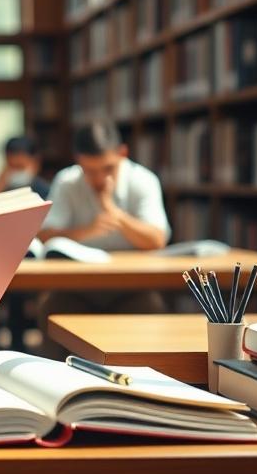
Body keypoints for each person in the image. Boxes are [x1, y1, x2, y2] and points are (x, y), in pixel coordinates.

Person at [32, 120, 171, 357]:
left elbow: (157, 239)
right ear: (78, 160)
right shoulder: (67, 181)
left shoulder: (143, 180)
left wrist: (114, 213)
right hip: (76, 288)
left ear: (122, 153)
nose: (98, 178)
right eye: (89, 171)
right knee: (51, 309)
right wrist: (86, 231)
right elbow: (43, 235)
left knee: (152, 310)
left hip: (132, 288)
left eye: (107, 169)